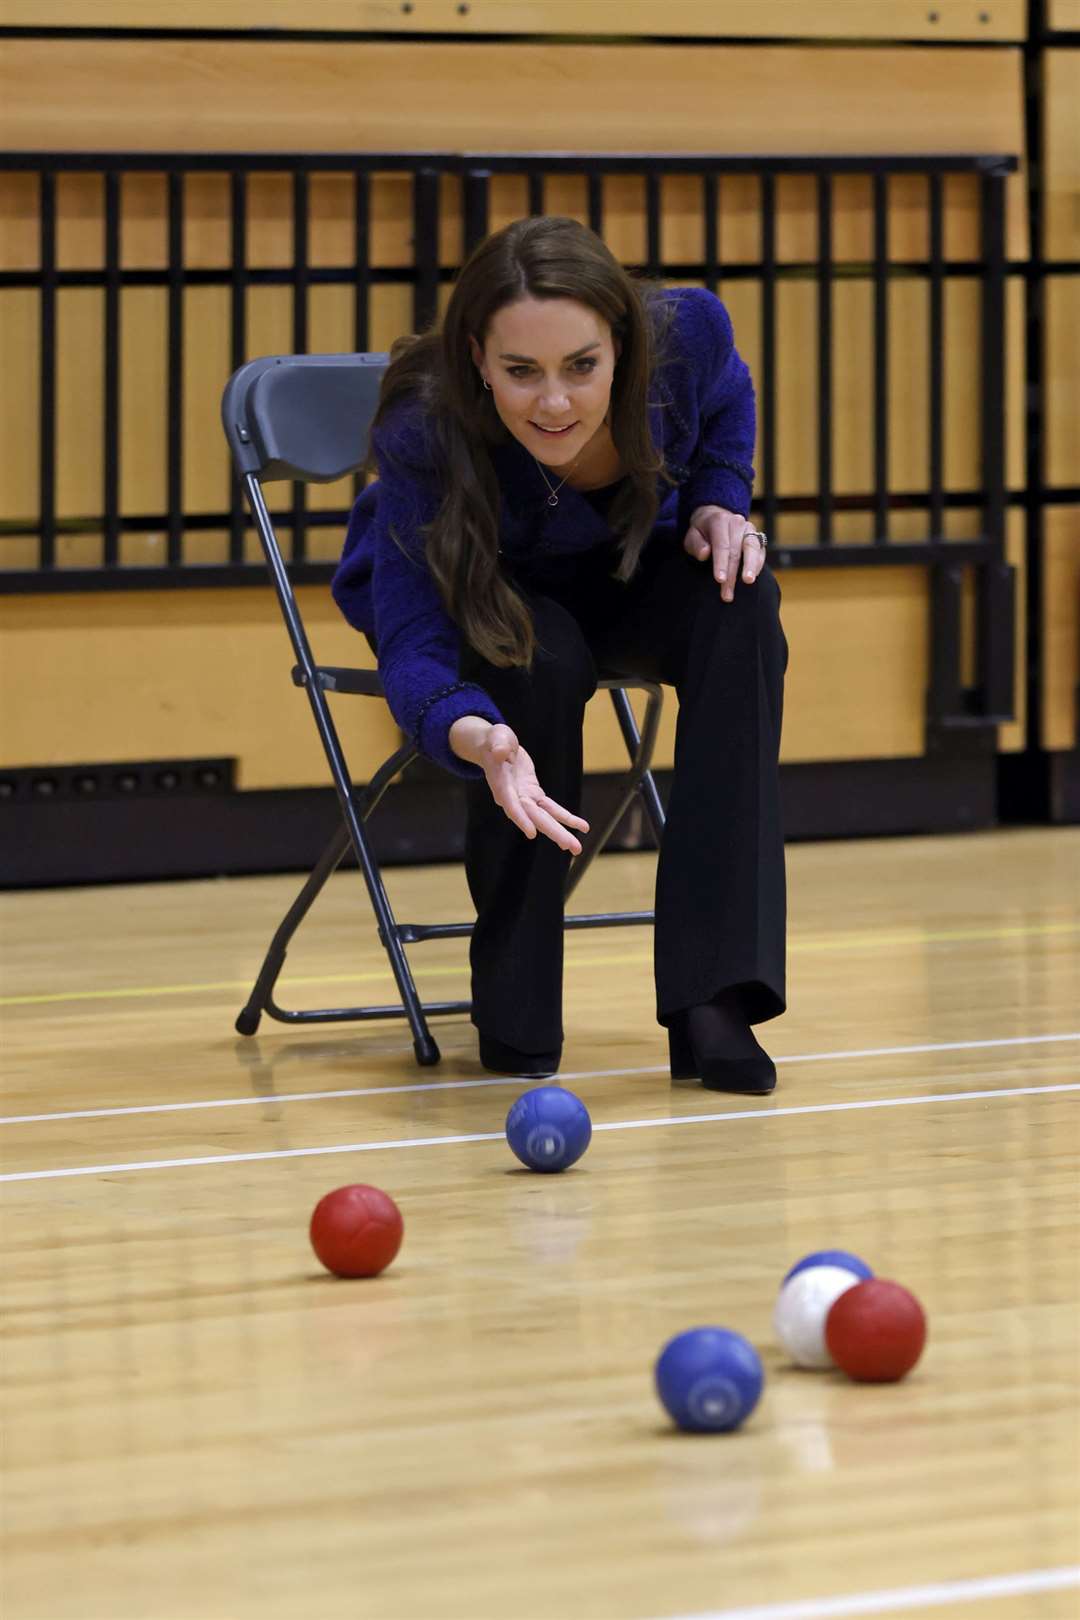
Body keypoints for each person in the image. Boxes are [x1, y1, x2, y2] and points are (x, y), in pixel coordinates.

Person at [332, 215, 787, 1094]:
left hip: (628, 558)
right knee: (531, 666)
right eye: (520, 372)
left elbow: (730, 396)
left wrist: (719, 499)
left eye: (581, 366)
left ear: (620, 344)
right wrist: (471, 734)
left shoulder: (685, 338)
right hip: (498, 584)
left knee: (743, 600)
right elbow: (418, 638)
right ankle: (516, 1001)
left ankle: (715, 999)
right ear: (475, 356)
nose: (555, 403)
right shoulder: (427, 427)